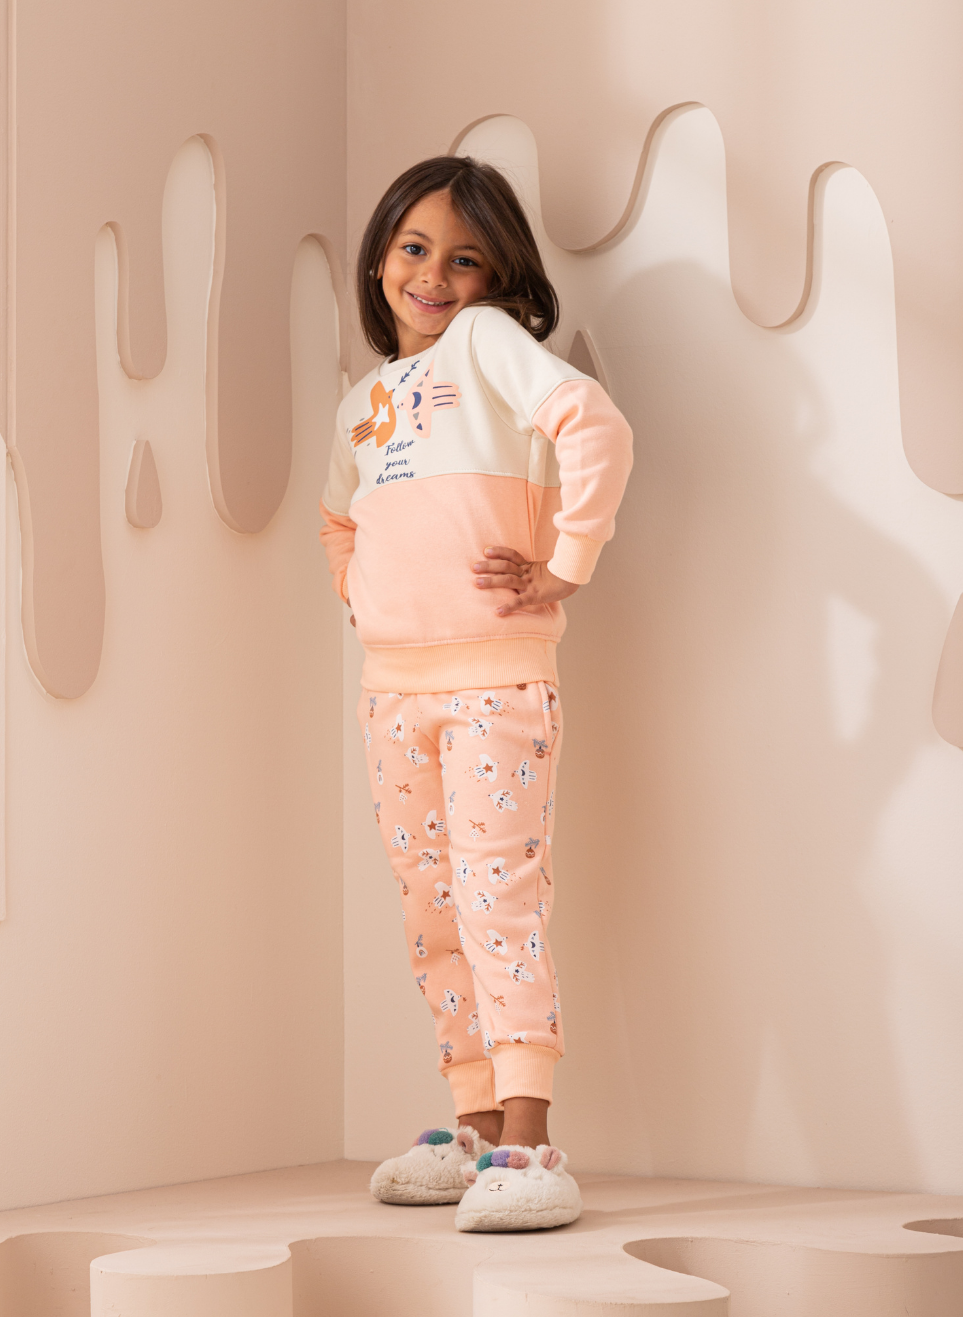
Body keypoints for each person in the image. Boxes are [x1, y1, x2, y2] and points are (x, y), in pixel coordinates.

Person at [319, 156, 633, 1231]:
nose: (434, 275)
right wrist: (359, 594)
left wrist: (567, 564)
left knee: (498, 898)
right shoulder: (361, 403)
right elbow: (337, 518)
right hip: (391, 693)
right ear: (379, 258)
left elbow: (595, 425)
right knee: (432, 909)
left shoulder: (487, 343)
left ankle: (531, 1139)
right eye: (414, 249)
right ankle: (474, 1127)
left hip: (497, 680)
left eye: (464, 259)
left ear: (496, 279)